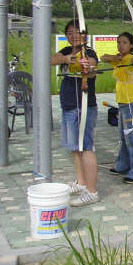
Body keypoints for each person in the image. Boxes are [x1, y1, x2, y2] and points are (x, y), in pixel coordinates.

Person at [50, 20, 100, 206]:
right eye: (70, 33)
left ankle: (92, 192)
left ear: (85, 35)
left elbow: (93, 66)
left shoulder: (89, 52)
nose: (74, 36)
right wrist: (66, 59)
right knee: (75, 147)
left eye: (78, 32)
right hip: (69, 105)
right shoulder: (65, 51)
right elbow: (52, 60)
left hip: (83, 107)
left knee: (86, 147)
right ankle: (81, 182)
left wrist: (87, 65)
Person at [100, 32, 133, 183]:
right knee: (124, 136)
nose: (121, 45)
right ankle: (123, 165)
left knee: (132, 136)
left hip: (132, 102)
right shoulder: (118, 59)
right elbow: (103, 57)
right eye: (119, 42)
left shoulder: (131, 59)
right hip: (122, 102)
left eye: (125, 42)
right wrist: (116, 58)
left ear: (132, 45)